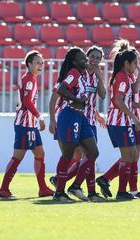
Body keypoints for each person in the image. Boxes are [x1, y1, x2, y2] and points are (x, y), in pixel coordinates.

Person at [96, 41, 140, 199]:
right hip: (124, 120)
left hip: (131, 119)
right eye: (136, 60)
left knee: (133, 156)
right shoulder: (123, 77)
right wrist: (137, 112)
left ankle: (129, 189)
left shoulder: (131, 76)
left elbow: (132, 96)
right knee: (130, 156)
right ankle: (117, 187)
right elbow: (121, 101)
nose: (138, 63)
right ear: (128, 61)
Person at [49, 46, 107, 202]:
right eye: (85, 58)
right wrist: (53, 119)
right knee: (70, 155)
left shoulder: (83, 74)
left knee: (93, 153)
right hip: (70, 115)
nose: (89, 60)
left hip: (83, 118)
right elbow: (60, 90)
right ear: (75, 61)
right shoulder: (74, 72)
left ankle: (75, 186)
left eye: (97, 58)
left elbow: (101, 96)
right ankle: (60, 191)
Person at [0, 50, 54, 199]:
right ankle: (3, 189)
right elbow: (27, 102)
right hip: (24, 124)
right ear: (29, 64)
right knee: (18, 156)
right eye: (37, 62)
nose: (40, 65)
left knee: (40, 153)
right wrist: (40, 117)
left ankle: (43, 189)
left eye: (42, 63)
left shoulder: (31, 78)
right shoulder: (29, 79)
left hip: (29, 124)